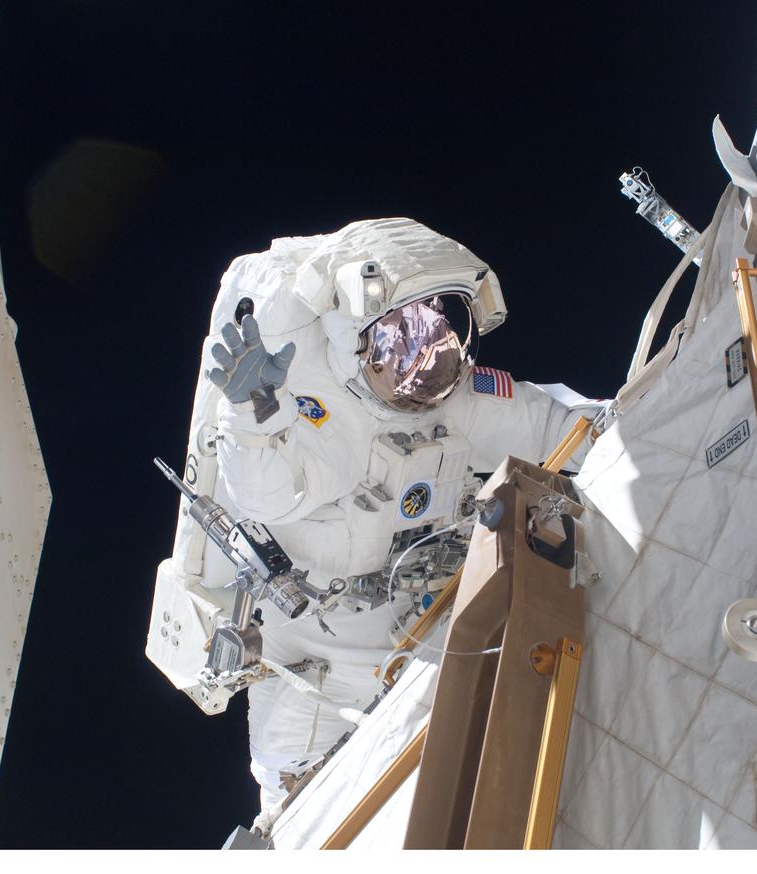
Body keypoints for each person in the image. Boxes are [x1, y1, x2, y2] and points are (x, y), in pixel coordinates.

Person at [161, 218, 597, 823]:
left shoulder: (460, 397)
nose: (426, 357)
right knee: (302, 822)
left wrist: (637, 420)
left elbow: (562, 427)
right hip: (318, 675)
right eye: (402, 337)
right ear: (357, 341)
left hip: (426, 640)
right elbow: (266, 495)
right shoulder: (319, 411)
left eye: (437, 326)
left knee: (482, 789)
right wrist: (254, 416)